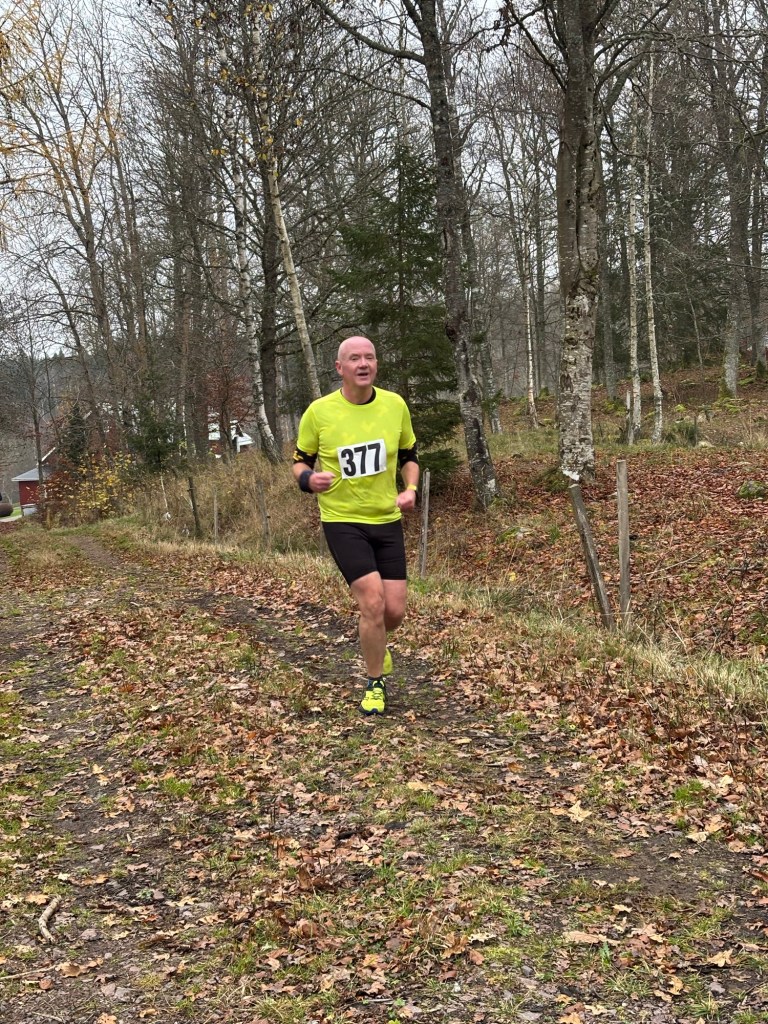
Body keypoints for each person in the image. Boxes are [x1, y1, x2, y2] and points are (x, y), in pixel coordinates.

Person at [292, 335, 419, 715]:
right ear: (339, 367)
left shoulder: (394, 405)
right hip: (342, 520)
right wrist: (308, 480)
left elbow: (410, 456)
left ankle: (376, 640)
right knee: (372, 602)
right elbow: (299, 462)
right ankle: (375, 683)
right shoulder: (319, 412)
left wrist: (410, 489)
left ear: (376, 364)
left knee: (393, 612)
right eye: (354, 358)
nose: (363, 364)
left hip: (387, 519)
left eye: (369, 357)